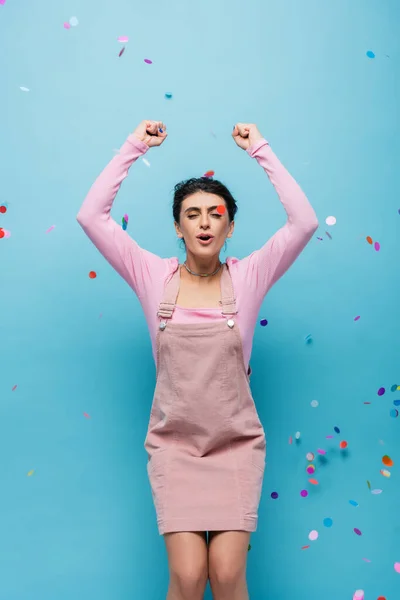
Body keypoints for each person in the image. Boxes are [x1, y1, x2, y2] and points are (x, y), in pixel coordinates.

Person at [76, 120, 319, 600]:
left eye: (215, 213)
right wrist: (135, 146)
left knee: (227, 577)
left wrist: (261, 150)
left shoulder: (250, 276)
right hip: (175, 447)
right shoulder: (152, 276)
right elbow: (91, 217)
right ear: (177, 226)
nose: (204, 222)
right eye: (192, 214)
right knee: (188, 579)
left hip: (235, 446)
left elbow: (304, 223)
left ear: (230, 226)